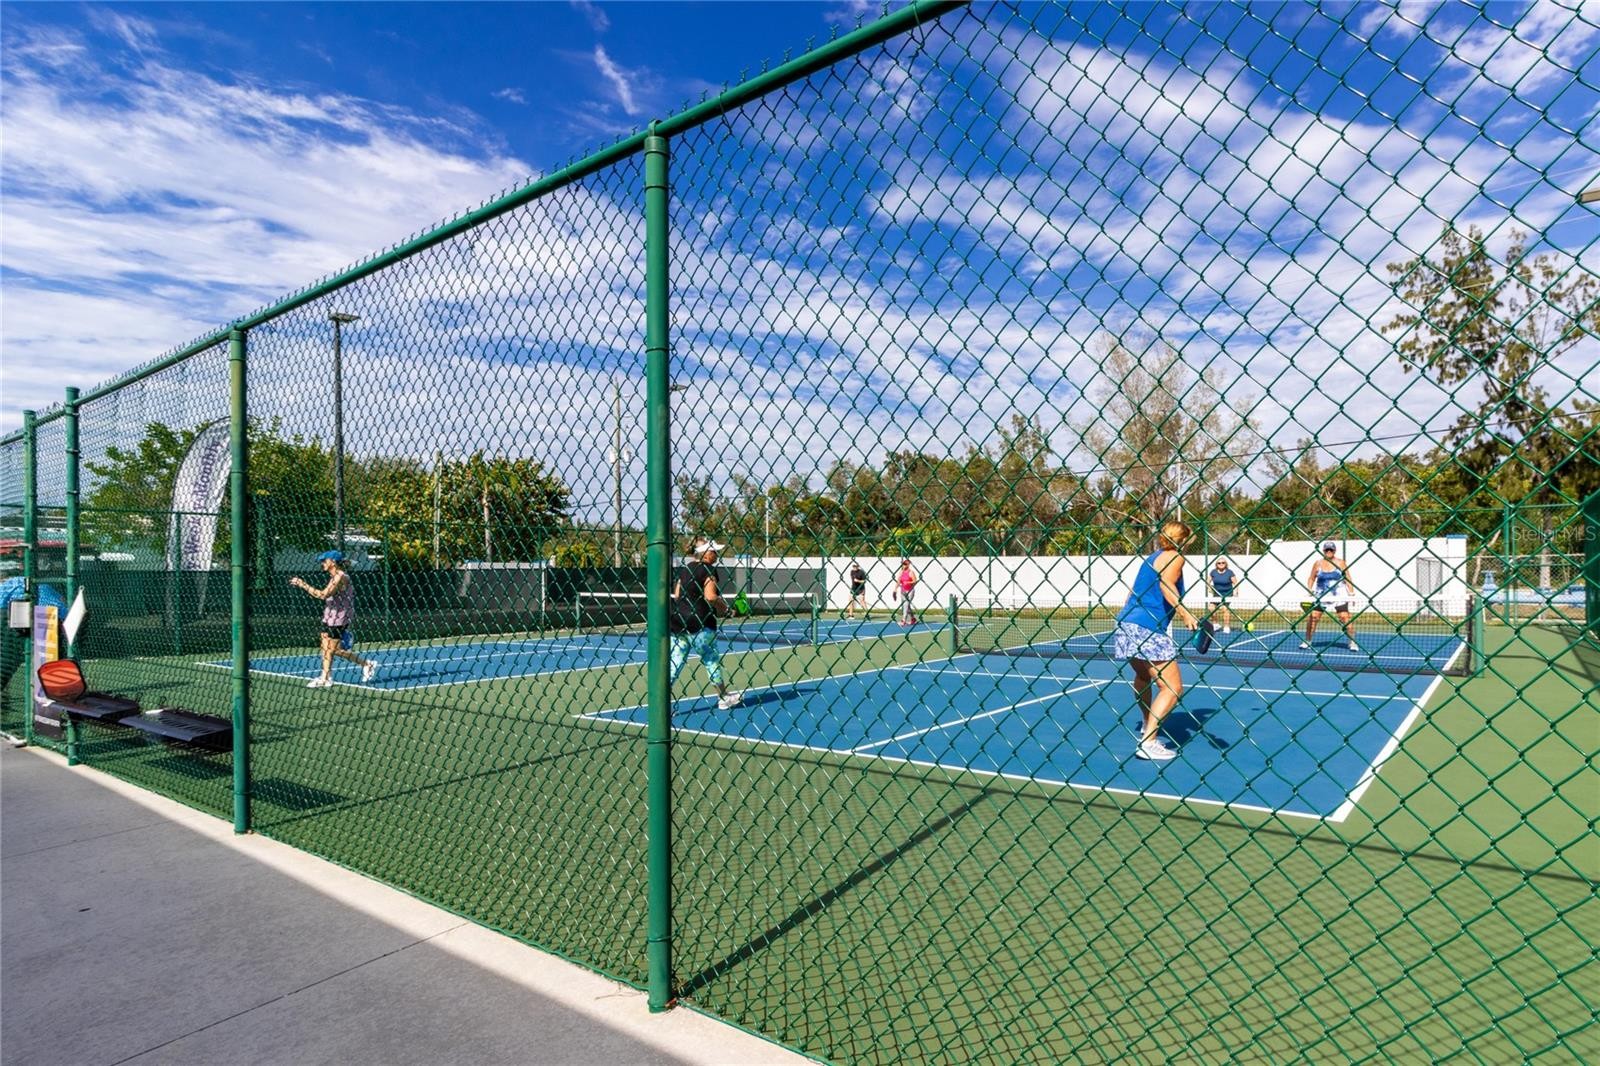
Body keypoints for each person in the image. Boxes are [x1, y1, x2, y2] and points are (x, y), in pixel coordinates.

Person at [1112, 521, 1201, 762]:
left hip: (1126, 623)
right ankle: (1149, 742)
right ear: (1183, 540)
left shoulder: (1152, 558)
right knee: (1172, 688)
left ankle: (1146, 724)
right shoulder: (1175, 557)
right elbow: (1166, 585)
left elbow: (1131, 593)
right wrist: (1185, 614)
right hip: (1148, 627)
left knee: (1143, 676)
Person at [669, 536, 742, 710]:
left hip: (678, 622)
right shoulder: (708, 569)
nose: (716, 554)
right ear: (706, 554)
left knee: (675, 662)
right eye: (714, 551)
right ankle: (723, 697)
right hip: (700, 623)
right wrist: (727, 609)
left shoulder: (685, 569)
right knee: (710, 659)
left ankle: (661, 703)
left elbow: (677, 595)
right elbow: (710, 596)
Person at [289, 550, 378, 688]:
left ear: (333, 562)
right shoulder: (334, 576)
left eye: (325, 560)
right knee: (325, 646)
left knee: (333, 649)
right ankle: (325, 677)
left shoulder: (340, 577)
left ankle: (366, 664)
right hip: (329, 615)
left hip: (339, 618)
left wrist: (302, 584)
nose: (322, 563)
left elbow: (323, 594)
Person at [1302, 541, 1359, 652]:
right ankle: (1307, 641)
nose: (1329, 551)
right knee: (1313, 618)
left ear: (1334, 551)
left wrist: (1351, 594)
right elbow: (1311, 578)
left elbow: (1348, 578)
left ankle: (1352, 642)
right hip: (1321, 595)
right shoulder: (1317, 563)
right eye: (1327, 550)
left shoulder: (1341, 563)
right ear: (1323, 551)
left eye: (1331, 550)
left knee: (1345, 618)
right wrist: (1309, 590)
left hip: (1339, 595)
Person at [1209, 558, 1239, 633]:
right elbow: (1207, 581)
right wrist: (1209, 588)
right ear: (1216, 564)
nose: (1221, 564)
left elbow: (1235, 583)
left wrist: (1236, 592)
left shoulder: (1229, 572)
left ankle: (1226, 626)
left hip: (1227, 594)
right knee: (1211, 608)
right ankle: (1215, 624)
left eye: (1223, 562)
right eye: (1219, 563)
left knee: (1225, 609)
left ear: (1226, 564)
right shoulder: (1213, 572)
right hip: (1216, 594)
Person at [893, 558, 918, 626]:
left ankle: (903, 620)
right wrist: (895, 589)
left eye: (905, 564)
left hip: (910, 591)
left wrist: (908, 582)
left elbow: (915, 580)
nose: (903, 565)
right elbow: (898, 581)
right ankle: (913, 619)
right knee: (906, 605)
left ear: (908, 565)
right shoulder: (901, 572)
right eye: (903, 564)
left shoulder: (911, 572)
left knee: (906, 604)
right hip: (903, 590)